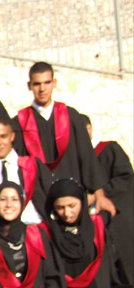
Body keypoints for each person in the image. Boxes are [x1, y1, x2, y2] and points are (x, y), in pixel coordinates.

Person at [13, 62, 115, 216]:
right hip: (39, 202)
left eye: (47, 82)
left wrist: (99, 195)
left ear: (54, 83)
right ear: (29, 85)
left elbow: (87, 156)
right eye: (37, 84)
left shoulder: (70, 116)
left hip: (73, 197)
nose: (42, 89)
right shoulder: (20, 122)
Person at [0, 117, 52, 228]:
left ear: (12, 136)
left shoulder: (33, 165)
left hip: (36, 228)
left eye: (3, 136)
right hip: (0, 232)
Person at [83, 114, 133, 284]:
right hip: (96, 228)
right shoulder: (76, 159)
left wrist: (98, 195)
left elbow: (124, 177)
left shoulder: (109, 149)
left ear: (89, 129)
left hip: (118, 221)